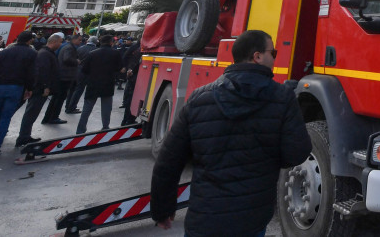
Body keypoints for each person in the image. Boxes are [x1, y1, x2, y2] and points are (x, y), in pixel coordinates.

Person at [150, 30, 311, 236]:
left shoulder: (199, 99)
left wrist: (162, 210)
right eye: (273, 52)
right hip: (251, 221)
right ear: (257, 56)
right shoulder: (283, 98)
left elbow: (168, 162)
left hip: (204, 220)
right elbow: (296, 154)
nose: (274, 57)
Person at [0, 31, 36, 157]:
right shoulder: (31, 53)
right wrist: (29, 88)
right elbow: (31, 73)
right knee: (5, 117)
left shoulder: (5, 52)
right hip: (16, 87)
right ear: (29, 40)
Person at [14, 33, 62, 147]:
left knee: (32, 113)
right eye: (60, 42)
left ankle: (25, 135)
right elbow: (42, 71)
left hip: (40, 87)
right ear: (54, 42)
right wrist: (45, 86)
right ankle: (23, 137)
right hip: (39, 88)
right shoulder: (45, 54)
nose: (60, 44)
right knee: (31, 113)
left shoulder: (46, 53)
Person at [75, 35, 122, 134]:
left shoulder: (92, 54)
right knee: (106, 108)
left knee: (87, 108)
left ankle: (81, 129)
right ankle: (105, 127)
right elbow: (119, 68)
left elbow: (84, 69)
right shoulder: (115, 53)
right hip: (108, 84)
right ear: (111, 42)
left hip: (93, 84)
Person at [44, 33, 82, 124]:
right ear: (74, 39)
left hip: (64, 76)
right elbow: (67, 59)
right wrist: (76, 61)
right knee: (59, 99)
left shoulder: (69, 47)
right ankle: (53, 117)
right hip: (65, 77)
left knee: (57, 99)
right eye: (79, 40)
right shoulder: (69, 48)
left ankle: (49, 117)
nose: (80, 42)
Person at [65, 34, 98, 113]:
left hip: (76, 71)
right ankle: (71, 107)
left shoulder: (80, 48)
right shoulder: (96, 50)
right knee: (79, 90)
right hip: (85, 72)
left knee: (72, 89)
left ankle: (68, 105)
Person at [119, 35, 142, 125]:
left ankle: (128, 119)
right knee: (132, 98)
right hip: (135, 77)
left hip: (133, 76)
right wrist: (129, 69)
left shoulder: (136, 48)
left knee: (130, 97)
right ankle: (128, 120)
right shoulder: (139, 49)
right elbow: (133, 61)